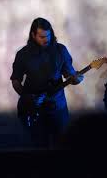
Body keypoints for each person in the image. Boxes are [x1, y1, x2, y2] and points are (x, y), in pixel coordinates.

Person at [10, 17, 84, 148]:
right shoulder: (23, 54)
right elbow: (16, 80)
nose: (46, 40)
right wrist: (28, 97)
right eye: (42, 37)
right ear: (33, 35)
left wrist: (76, 79)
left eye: (48, 36)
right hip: (32, 108)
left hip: (57, 108)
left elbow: (70, 75)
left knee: (62, 148)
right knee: (37, 149)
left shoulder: (61, 51)